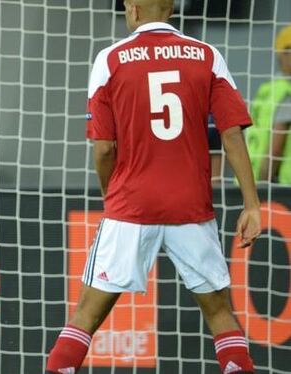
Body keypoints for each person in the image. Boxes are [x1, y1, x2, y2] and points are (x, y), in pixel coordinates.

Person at [46, 1, 261, 373]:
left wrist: (110, 194)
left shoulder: (111, 58)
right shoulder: (207, 55)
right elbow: (230, 134)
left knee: (85, 316)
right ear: (172, 10)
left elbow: (103, 148)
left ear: (132, 9)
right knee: (219, 312)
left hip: (131, 204)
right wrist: (252, 205)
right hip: (190, 205)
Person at [247, 24, 291, 184]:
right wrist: (261, 187)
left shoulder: (266, 90)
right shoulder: (286, 93)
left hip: (253, 180)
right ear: (283, 53)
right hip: (277, 186)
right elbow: (276, 148)